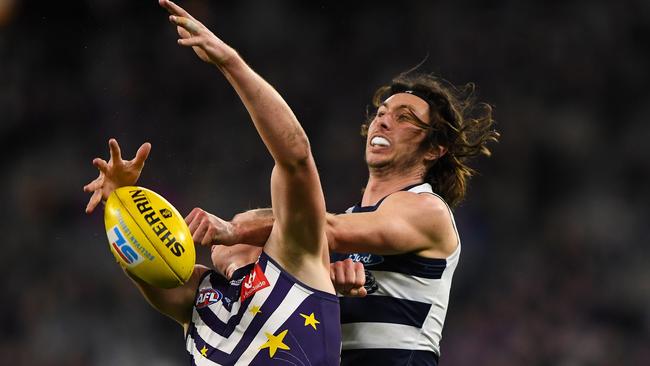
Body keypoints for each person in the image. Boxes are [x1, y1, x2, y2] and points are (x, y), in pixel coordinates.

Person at [84, 0, 342, 364]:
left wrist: (230, 63)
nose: (225, 235)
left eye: (242, 227)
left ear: (267, 241)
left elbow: (296, 157)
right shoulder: (201, 301)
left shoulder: (296, 260)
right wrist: (120, 201)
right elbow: (145, 262)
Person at [186, 72, 500, 364]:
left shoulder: (428, 209)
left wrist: (233, 229)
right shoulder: (350, 222)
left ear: (434, 149)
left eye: (404, 117)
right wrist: (332, 288)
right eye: (381, 113)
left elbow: (316, 227)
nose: (383, 122)